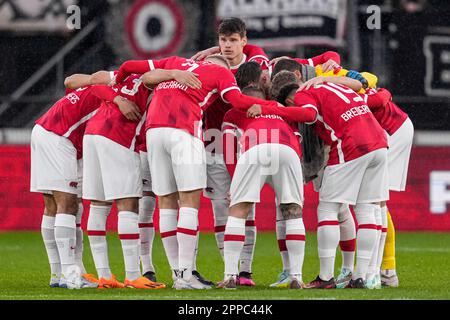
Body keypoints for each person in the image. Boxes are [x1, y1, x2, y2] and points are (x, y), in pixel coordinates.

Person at [113, 54, 280, 290]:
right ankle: (186, 275)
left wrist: (168, 75)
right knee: (189, 202)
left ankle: (176, 274)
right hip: (183, 130)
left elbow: (134, 70)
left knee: (166, 202)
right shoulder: (220, 72)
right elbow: (237, 100)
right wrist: (273, 107)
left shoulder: (174, 62)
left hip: (153, 131)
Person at [247, 71, 392, 289]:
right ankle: (360, 276)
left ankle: (325, 278)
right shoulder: (338, 87)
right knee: (366, 209)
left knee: (328, 209)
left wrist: (268, 108)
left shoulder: (305, 93)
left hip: (351, 144)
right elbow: (376, 96)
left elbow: (308, 115)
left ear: (288, 99)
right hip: (379, 143)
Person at [83, 68, 200, 289]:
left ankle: (105, 276)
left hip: (93, 132)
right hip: (117, 134)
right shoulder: (156, 83)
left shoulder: (122, 76)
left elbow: (95, 85)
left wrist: (116, 98)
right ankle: (133, 275)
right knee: (128, 204)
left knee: (98, 206)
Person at [30, 71, 122, 289]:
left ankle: (59, 273)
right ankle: (70, 275)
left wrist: (97, 80)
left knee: (54, 206)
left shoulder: (98, 88)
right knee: (67, 204)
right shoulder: (113, 91)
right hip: (58, 136)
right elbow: (70, 80)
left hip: (47, 131)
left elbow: (69, 81)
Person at [219, 86, 312, 289]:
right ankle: (296, 276)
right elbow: (298, 136)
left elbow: (227, 146)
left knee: (239, 211)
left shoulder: (234, 112)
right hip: (288, 150)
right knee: (293, 212)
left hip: (256, 148)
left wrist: (235, 183)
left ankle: (230, 276)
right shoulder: (281, 109)